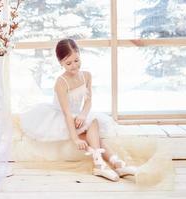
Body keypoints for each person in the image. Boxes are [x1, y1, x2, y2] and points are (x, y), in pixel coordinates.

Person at [19, 38, 136, 181]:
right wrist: (75, 139)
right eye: (68, 63)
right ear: (61, 63)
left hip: (78, 115)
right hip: (62, 116)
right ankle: (109, 163)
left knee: (93, 121)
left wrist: (82, 114)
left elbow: (88, 100)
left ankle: (112, 164)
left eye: (76, 60)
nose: (74, 66)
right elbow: (67, 113)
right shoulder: (61, 83)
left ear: (79, 55)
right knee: (91, 134)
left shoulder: (86, 75)